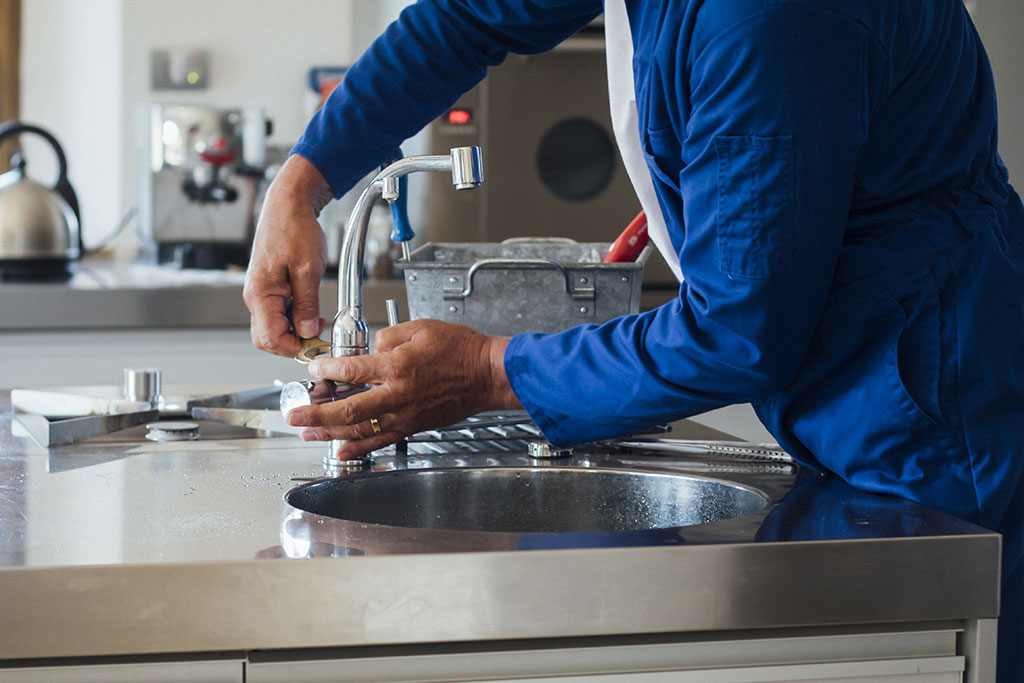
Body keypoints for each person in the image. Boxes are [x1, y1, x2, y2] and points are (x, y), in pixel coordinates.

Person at [244, 1, 1023, 677]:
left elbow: (735, 329)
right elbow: (467, 16)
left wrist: (485, 369)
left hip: (938, 415)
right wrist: (302, 182)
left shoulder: (767, 20)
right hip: (869, 391)